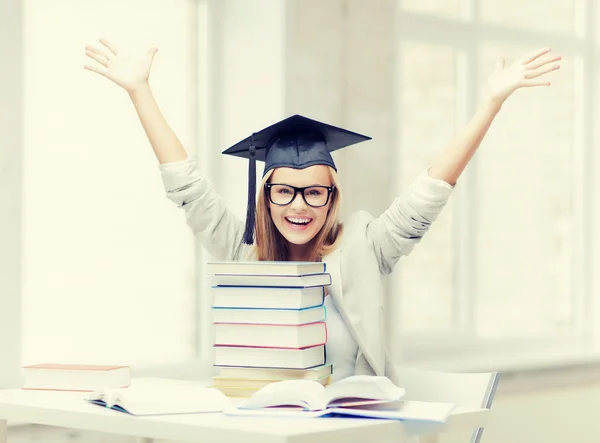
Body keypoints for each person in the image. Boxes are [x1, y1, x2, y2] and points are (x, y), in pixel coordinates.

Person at [84, 39, 561, 383]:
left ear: (333, 198)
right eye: (284, 192)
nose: (299, 205)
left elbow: (431, 190)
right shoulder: (242, 249)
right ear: (265, 198)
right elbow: (186, 185)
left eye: (315, 192)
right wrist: (139, 92)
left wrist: (491, 103)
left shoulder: (366, 245)